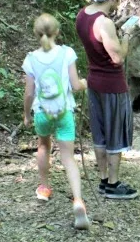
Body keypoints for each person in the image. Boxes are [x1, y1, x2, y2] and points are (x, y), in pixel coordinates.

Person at [22, 13, 91, 230]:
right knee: (68, 157)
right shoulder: (67, 53)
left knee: (43, 146)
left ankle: (44, 188)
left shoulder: (30, 59)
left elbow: (29, 92)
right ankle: (78, 201)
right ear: (58, 32)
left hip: (42, 112)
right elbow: (75, 85)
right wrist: (84, 83)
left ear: (36, 34)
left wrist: (26, 114)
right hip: (64, 113)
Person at [75, 0, 138, 199]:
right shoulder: (105, 23)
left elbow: (97, 44)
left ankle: (103, 180)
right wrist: (127, 36)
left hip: (94, 82)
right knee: (115, 134)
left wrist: (114, 31)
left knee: (100, 133)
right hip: (112, 85)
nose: (116, 3)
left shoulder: (83, 15)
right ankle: (113, 185)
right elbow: (117, 57)